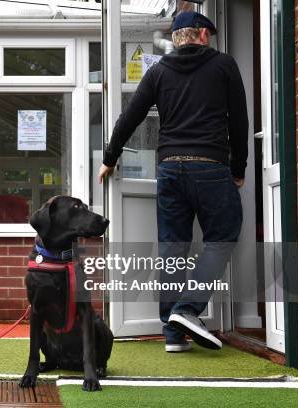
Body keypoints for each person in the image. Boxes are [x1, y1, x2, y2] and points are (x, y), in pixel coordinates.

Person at [98, 11, 248, 352]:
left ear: (177, 38)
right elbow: (239, 121)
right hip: (210, 165)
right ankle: (186, 308)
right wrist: (238, 167)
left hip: (169, 169)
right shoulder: (224, 66)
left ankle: (172, 334)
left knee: (172, 247)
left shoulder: (158, 71)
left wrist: (110, 157)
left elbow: (130, 116)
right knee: (222, 237)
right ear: (204, 35)